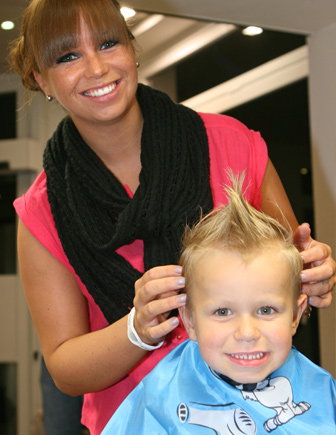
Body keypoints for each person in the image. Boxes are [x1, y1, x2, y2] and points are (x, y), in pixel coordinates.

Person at [9, 0, 335, 434]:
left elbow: (287, 290)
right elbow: (64, 367)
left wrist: (312, 275)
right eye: (68, 56)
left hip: (261, 413)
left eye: (109, 43)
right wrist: (136, 330)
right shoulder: (43, 209)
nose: (96, 67)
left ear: (132, 49)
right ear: (39, 78)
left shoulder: (232, 145)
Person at [101, 174, 336, 434]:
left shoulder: (322, 391)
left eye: (266, 310)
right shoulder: (161, 400)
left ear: (295, 315)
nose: (247, 333)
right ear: (189, 321)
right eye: (223, 311)